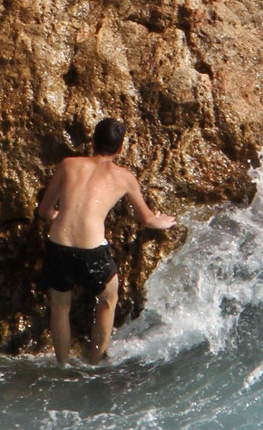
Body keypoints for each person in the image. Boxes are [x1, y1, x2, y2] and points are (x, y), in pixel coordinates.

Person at [37, 118, 176, 365]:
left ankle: (61, 367)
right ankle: (94, 362)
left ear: (93, 141)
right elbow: (145, 219)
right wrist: (162, 221)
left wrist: (58, 216)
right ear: (120, 148)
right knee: (108, 300)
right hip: (92, 251)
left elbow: (44, 210)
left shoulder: (68, 165)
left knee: (60, 307)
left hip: (58, 244)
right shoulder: (123, 177)